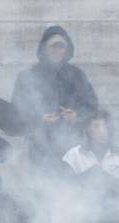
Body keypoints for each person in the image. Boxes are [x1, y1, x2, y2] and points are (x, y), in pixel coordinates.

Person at [11, 25, 98, 171]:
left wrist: (77, 115)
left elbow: (92, 105)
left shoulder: (77, 75)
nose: (57, 51)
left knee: (74, 186)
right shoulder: (27, 76)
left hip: (72, 142)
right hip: (40, 144)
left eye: (61, 47)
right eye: (53, 46)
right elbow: (17, 111)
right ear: (44, 48)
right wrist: (39, 119)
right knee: (44, 187)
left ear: (67, 50)